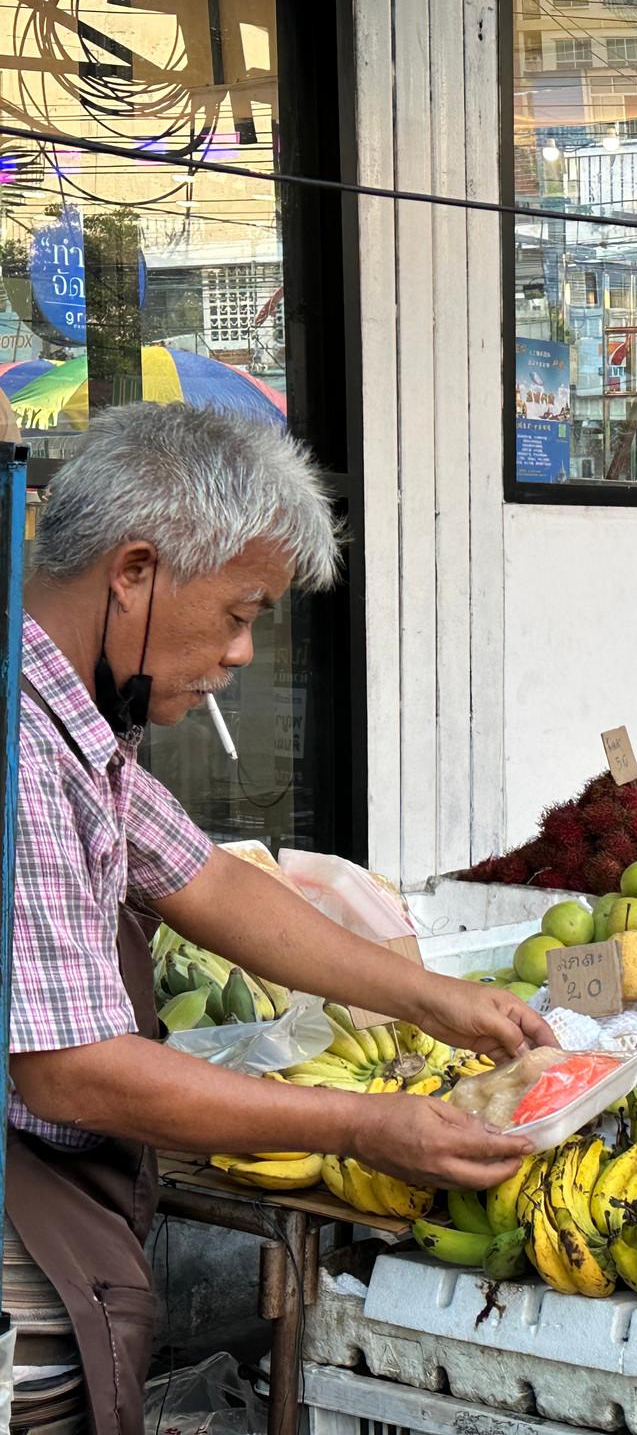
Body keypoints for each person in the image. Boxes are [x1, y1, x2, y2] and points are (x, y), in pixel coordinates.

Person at [7, 404, 555, 1429]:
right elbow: (69, 1068)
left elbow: (206, 881)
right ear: (134, 572)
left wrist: (435, 999)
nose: (246, 653)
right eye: (240, 610)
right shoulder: (19, 745)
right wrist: (360, 1124)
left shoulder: (75, 721)